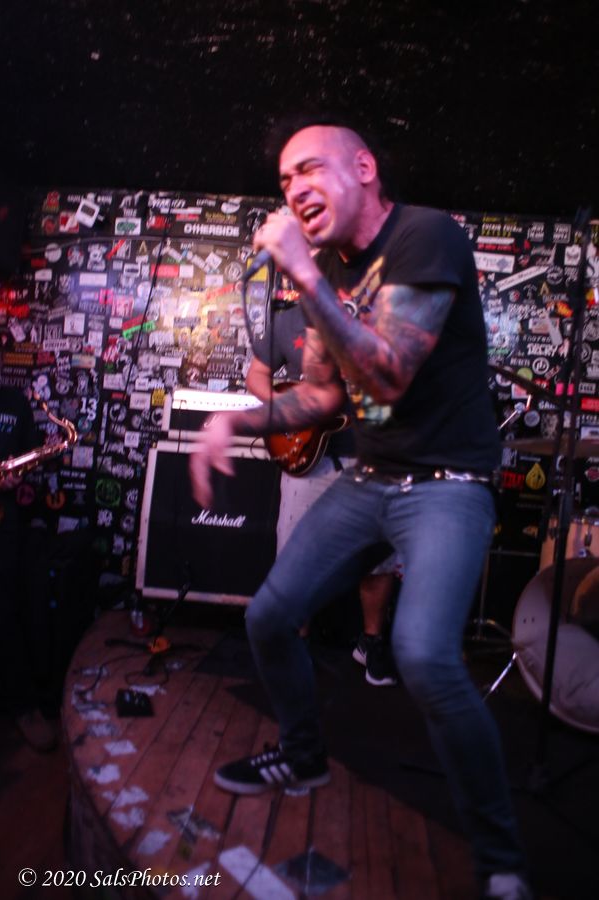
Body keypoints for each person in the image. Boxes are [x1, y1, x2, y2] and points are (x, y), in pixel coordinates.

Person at [190, 118, 531, 899]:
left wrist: (302, 274)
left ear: (364, 169)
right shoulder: (328, 273)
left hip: (447, 484)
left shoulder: (425, 237)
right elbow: (322, 396)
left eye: (310, 169)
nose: (294, 189)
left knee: (425, 655)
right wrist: (233, 421)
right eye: (284, 180)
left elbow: (387, 377)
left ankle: (502, 860)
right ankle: (304, 756)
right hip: (371, 477)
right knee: (269, 616)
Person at [246, 297, 399, 686]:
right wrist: (286, 404)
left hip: (368, 458)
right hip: (308, 461)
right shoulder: (288, 320)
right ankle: (295, 646)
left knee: (377, 560)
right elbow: (257, 375)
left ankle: (371, 643)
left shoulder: (380, 318)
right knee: (296, 562)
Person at [0, 374, 58, 752]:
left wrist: (18, 473)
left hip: (5, 526)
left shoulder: (15, 402)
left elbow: (25, 458)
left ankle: (22, 706)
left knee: (6, 613)